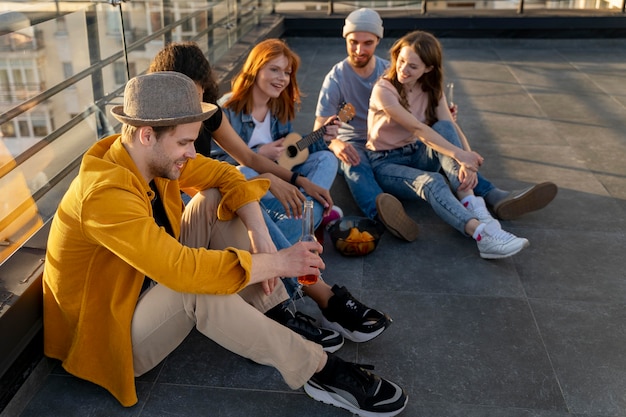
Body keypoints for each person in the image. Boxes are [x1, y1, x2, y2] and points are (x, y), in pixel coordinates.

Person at [41, 71, 408, 416]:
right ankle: (321, 370)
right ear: (146, 134)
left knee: (214, 199)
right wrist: (279, 264)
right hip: (109, 336)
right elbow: (182, 272)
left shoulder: (145, 158)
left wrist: (261, 240)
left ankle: (277, 314)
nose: (191, 151)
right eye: (185, 142)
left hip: (142, 285)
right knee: (195, 289)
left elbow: (225, 173)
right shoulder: (104, 193)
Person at [147, 42, 392, 350]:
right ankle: (316, 291)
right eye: (274, 69)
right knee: (233, 198)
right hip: (182, 232)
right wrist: (264, 181)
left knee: (253, 197)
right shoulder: (152, 136)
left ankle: (287, 294)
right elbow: (229, 171)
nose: (192, 110)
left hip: (223, 207)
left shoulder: (209, 112)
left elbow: (248, 159)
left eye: (197, 98)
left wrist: (292, 178)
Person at [314, 8, 557, 242]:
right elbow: (319, 126)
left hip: (402, 140)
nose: (359, 49)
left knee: (445, 134)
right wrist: (335, 143)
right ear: (345, 39)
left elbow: (419, 118)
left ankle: (493, 197)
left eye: (367, 42)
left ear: (378, 41)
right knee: (355, 165)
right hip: (359, 142)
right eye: (353, 41)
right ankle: (384, 214)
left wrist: (437, 116)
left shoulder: (394, 69)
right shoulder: (336, 78)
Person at [365, 30, 530, 259]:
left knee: (444, 127)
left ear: (428, 69)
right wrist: (459, 156)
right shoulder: (384, 89)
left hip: (417, 153)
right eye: (401, 61)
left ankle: (472, 204)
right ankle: (482, 235)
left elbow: (450, 126)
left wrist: (467, 159)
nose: (403, 70)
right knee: (433, 181)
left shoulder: (431, 89)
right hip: (386, 163)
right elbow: (418, 129)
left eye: (413, 66)